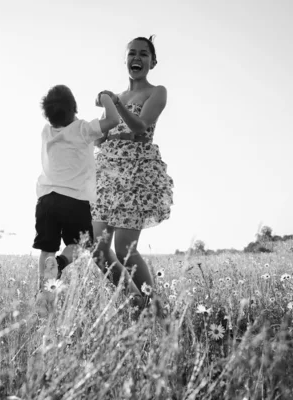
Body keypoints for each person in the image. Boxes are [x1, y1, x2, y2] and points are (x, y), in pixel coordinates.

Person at [33, 84, 143, 315]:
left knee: (46, 249)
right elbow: (112, 121)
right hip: (74, 200)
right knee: (80, 244)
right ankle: (62, 264)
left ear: (48, 114)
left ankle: (45, 296)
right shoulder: (83, 129)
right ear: (74, 109)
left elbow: (59, 119)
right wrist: (105, 99)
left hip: (46, 201)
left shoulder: (46, 131)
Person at [92, 36, 174, 301]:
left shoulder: (156, 91)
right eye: (132, 54)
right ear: (125, 59)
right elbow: (100, 138)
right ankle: (134, 302)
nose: (137, 58)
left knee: (125, 247)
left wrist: (114, 103)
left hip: (135, 172)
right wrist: (89, 126)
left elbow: (141, 126)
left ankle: (153, 306)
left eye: (143, 54)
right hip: (106, 172)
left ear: (153, 61)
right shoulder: (117, 97)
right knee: (97, 247)